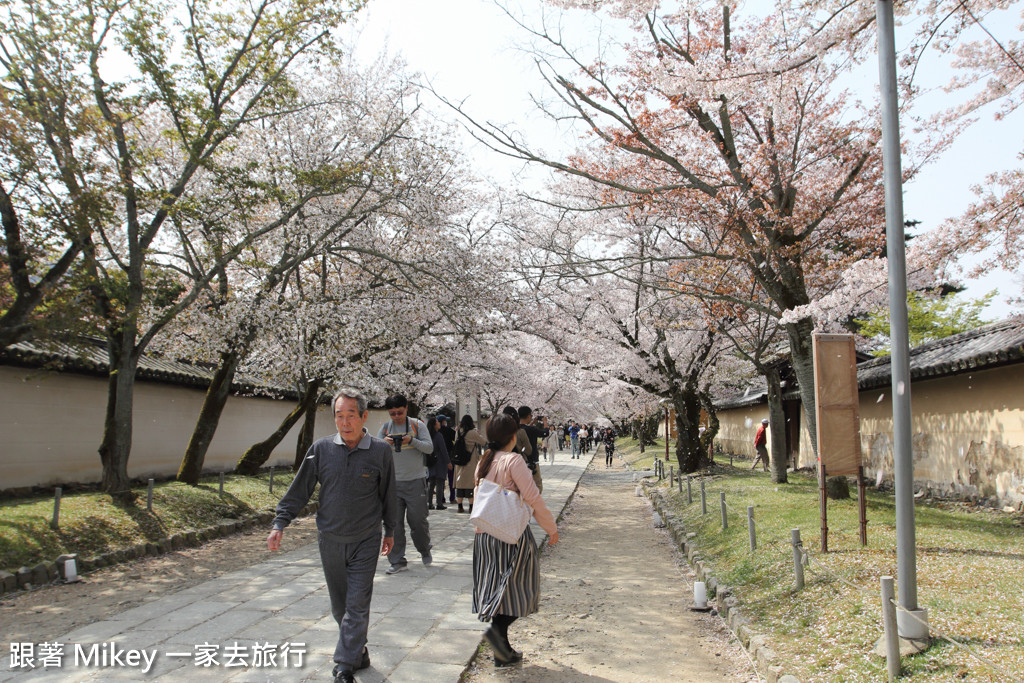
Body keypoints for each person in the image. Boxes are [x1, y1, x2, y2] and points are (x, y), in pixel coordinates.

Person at [267, 388, 397, 683]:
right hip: (330, 539)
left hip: (366, 539)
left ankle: (343, 666)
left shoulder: (380, 451)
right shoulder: (321, 449)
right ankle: (358, 653)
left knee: (357, 604)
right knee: (340, 607)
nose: (345, 422)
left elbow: (389, 493)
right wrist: (279, 523)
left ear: (364, 416)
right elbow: (299, 490)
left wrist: (391, 530)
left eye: (351, 415)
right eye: (339, 416)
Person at [472, 413, 559, 667]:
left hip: (485, 535)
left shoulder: (484, 461)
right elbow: (533, 497)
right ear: (513, 436)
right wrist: (550, 527)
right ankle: (497, 639)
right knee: (520, 588)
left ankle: (503, 650)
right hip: (510, 536)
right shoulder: (514, 460)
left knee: (498, 588)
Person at [376, 394, 433, 574]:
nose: (396, 416)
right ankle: (397, 560)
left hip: (415, 481)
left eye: (399, 412)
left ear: (406, 408)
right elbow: (374, 453)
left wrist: (412, 440)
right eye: (392, 413)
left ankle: (424, 548)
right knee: (393, 525)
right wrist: (383, 444)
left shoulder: (418, 426)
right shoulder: (385, 429)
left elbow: (429, 448)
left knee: (418, 520)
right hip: (392, 484)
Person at [454, 414, 487, 513]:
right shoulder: (473, 433)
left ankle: (460, 506)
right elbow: (483, 442)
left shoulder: (458, 432)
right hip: (470, 461)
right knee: (469, 484)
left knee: (460, 483)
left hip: (459, 461)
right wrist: (478, 434)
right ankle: (471, 507)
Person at [426, 414, 451, 510]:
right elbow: (444, 450)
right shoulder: (438, 435)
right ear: (434, 425)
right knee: (440, 482)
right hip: (440, 461)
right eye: (437, 422)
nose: (439, 423)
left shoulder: (428, 435)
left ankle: (429, 503)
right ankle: (439, 503)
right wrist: (448, 462)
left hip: (431, 461)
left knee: (431, 483)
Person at [438, 414, 457, 503]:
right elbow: (456, 438)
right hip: (449, 456)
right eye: (445, 421)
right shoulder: (449, 430)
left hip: (439, 457)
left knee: (441, 478)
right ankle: (452, 498)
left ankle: (442, 498)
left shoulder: (436, 432)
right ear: (443, 422)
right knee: (451, 478)